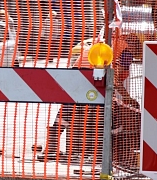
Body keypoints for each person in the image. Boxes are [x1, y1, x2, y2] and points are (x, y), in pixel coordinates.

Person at [38, 29, 137, 162]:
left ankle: (51, 148)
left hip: (78, 72)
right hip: (95, 74)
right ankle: (107, 153)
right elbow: (114, 79)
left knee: (69, 108)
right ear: (135, 44)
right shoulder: (126, 51)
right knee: (106, 112)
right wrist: (127, 98)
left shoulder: (108, 40)